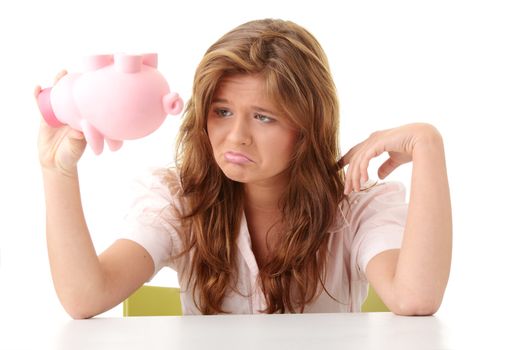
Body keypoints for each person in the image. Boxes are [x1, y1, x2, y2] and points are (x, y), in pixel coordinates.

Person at [36, 19, 452, 318]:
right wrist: (58, 171)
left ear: (307, 128)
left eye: (263, 117)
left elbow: (414, 299)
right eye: (222, 111)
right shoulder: (180, 200)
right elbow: (85, 298)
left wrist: (427, 144)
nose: (236, 136)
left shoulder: (354, 205)